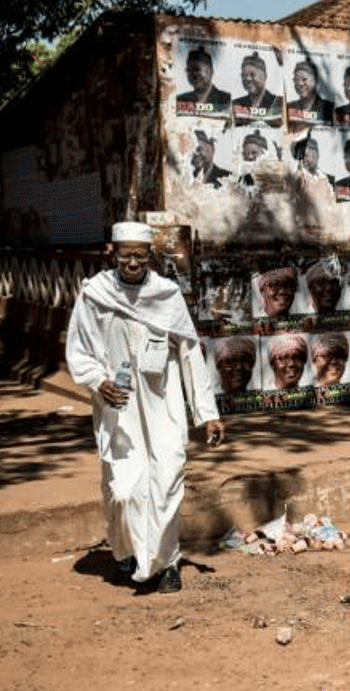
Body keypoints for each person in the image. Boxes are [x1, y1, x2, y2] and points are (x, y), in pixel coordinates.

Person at [65, 221, 223, 593]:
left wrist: (207, 413)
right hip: (119, 408)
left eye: (139, 255)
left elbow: (189, 354)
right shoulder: (96, 294)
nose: (132, 263)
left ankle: (167, 563)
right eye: (126, 255)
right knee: (124, 490)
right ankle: (126, 551)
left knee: (167, 481)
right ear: (113, 253)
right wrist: (98, 381)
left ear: (150, 256)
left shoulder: (167, 295)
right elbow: (80, 350)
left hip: (163, 404)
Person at [232, 51, 283, 126]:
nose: (248, 79)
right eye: (244, 75)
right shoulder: (236, 104)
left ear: (265, 76)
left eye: (252, 75)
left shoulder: (278, 103)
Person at [176, 46, 231, 111]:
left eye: (197, 69)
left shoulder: (226, 100)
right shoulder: (180, 99)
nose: (193, 74)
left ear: (210, 72)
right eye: (189, 70)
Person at [287, 59, 334, 125]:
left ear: (315, 80)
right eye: (296, 80)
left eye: (304, 79)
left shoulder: (329, 109)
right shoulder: (288, 108)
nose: (300, 83)